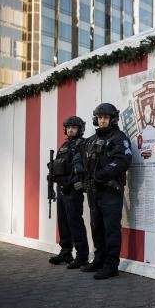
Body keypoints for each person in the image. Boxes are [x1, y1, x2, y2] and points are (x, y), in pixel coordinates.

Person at [80, 103, 132, 279]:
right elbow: (83, 161)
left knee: (111, 229)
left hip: (110, 191)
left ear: (112, 119)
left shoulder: (119, 138)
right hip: (94, 191)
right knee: (96, 227)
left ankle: (111, 266)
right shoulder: (91, 140)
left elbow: (123, 160)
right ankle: (99, 260)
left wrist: (102, 174)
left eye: (106, 117)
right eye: (100, 117)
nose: (102, 120)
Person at [48, 116, 89, 268]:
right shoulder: (64, 146)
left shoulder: (82, 145)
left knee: (75, 222)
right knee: (63, 222)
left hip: (73, 189)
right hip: (61, 189)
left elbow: (83, 168)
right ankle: (66, 252)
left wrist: (70, 184)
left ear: (80, 129)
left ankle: (82, 256)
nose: (71, 129)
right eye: (68, 127)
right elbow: (60, 166)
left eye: (74, 127)